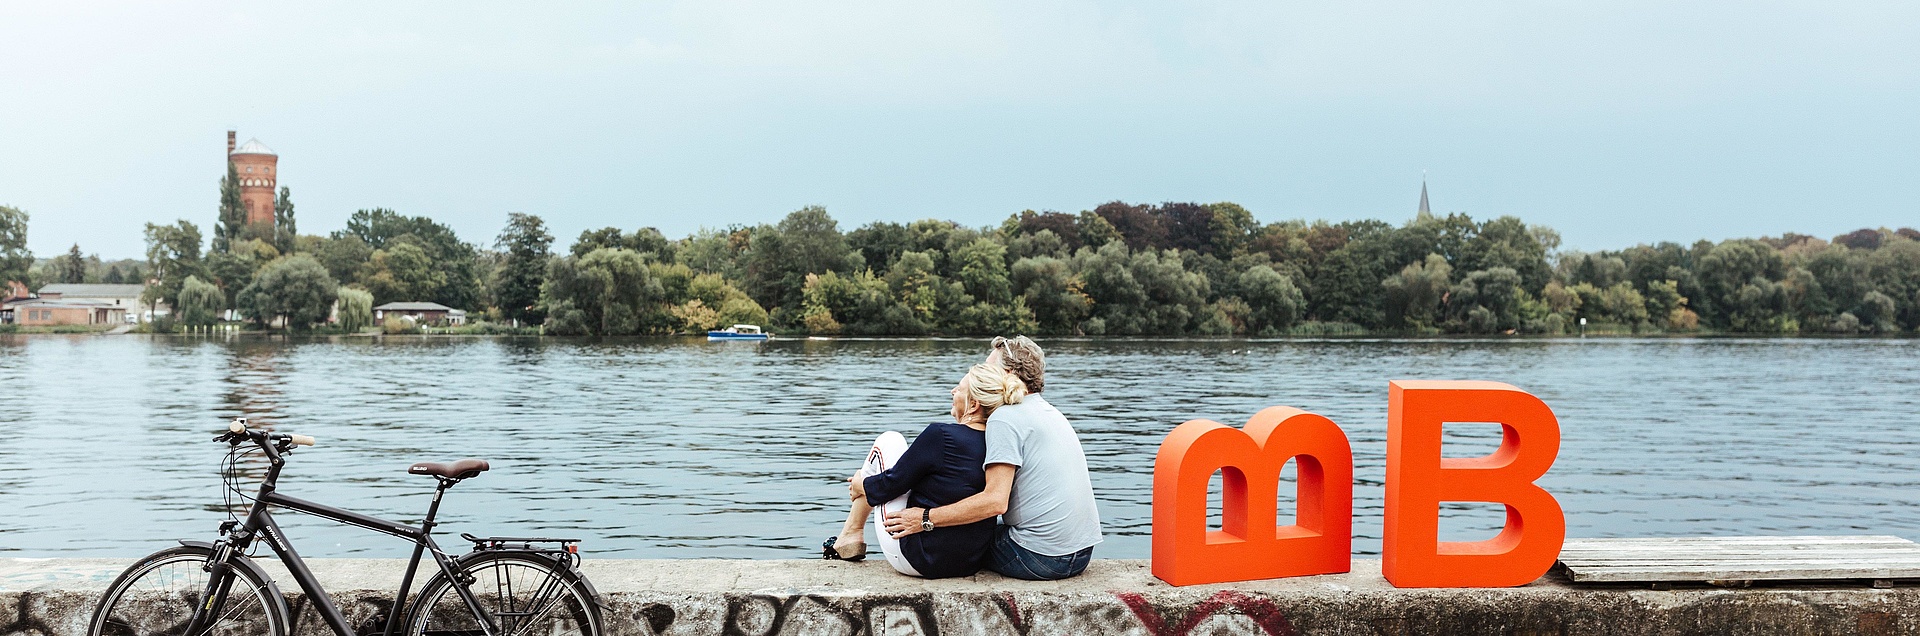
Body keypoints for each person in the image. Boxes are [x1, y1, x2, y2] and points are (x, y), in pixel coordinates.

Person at [883, 336, 1103, 580]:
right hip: (1081, 554)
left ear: (1007, 373)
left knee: (959, 542)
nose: (981, 372)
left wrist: (924, 518)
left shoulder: (1005, 417)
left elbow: (995, 502)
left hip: (1040, 557)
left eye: (988, 366)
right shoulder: (1050, 412)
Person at [824, 362, 1027, 578]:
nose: (953, 391)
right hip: (969, 562)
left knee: (890, 441)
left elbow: (890, 486)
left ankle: (851, 533)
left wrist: (860, 484)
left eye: (959, 388)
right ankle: (851, 532)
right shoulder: (1001, 445)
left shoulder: (940, 435)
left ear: (974, 404)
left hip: (919, 558)